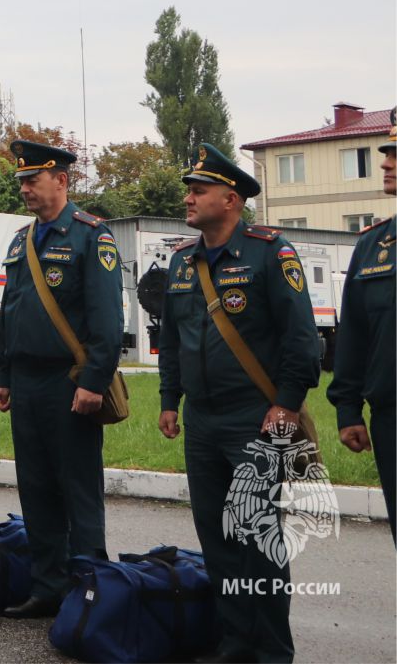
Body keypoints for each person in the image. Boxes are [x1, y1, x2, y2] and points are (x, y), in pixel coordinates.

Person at [158, 145, 323, 662]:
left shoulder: (270, 252)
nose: (188, 197)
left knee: (260, 538)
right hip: (203, 420)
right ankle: (235, 640)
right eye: (189, 189)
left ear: (230, 199)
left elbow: (300, 337)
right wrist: (169, 400)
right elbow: (174, 336)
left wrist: (288, 402)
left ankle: (272, 649)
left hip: (256, 415)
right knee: (217, 538)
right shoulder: (183, 262)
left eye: (198, 190)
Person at [0, 139, 123, 618]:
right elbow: (10, 312)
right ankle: (47, 587)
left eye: (33, 180)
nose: (25, 188)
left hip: (70, 382)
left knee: (77, 488)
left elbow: (108, 321)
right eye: (22, 181)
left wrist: (93, 381)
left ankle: (90, 589)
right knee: (37, 487)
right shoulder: (20, 241)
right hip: (26, 381)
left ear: (61, 180)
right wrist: (3, 372)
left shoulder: (92, 236)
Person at [329, 108, 395, 539]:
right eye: (387, 154)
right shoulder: (373, 245)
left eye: (396, 156)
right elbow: (353, 334)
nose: (386, 163)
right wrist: (347, 408)